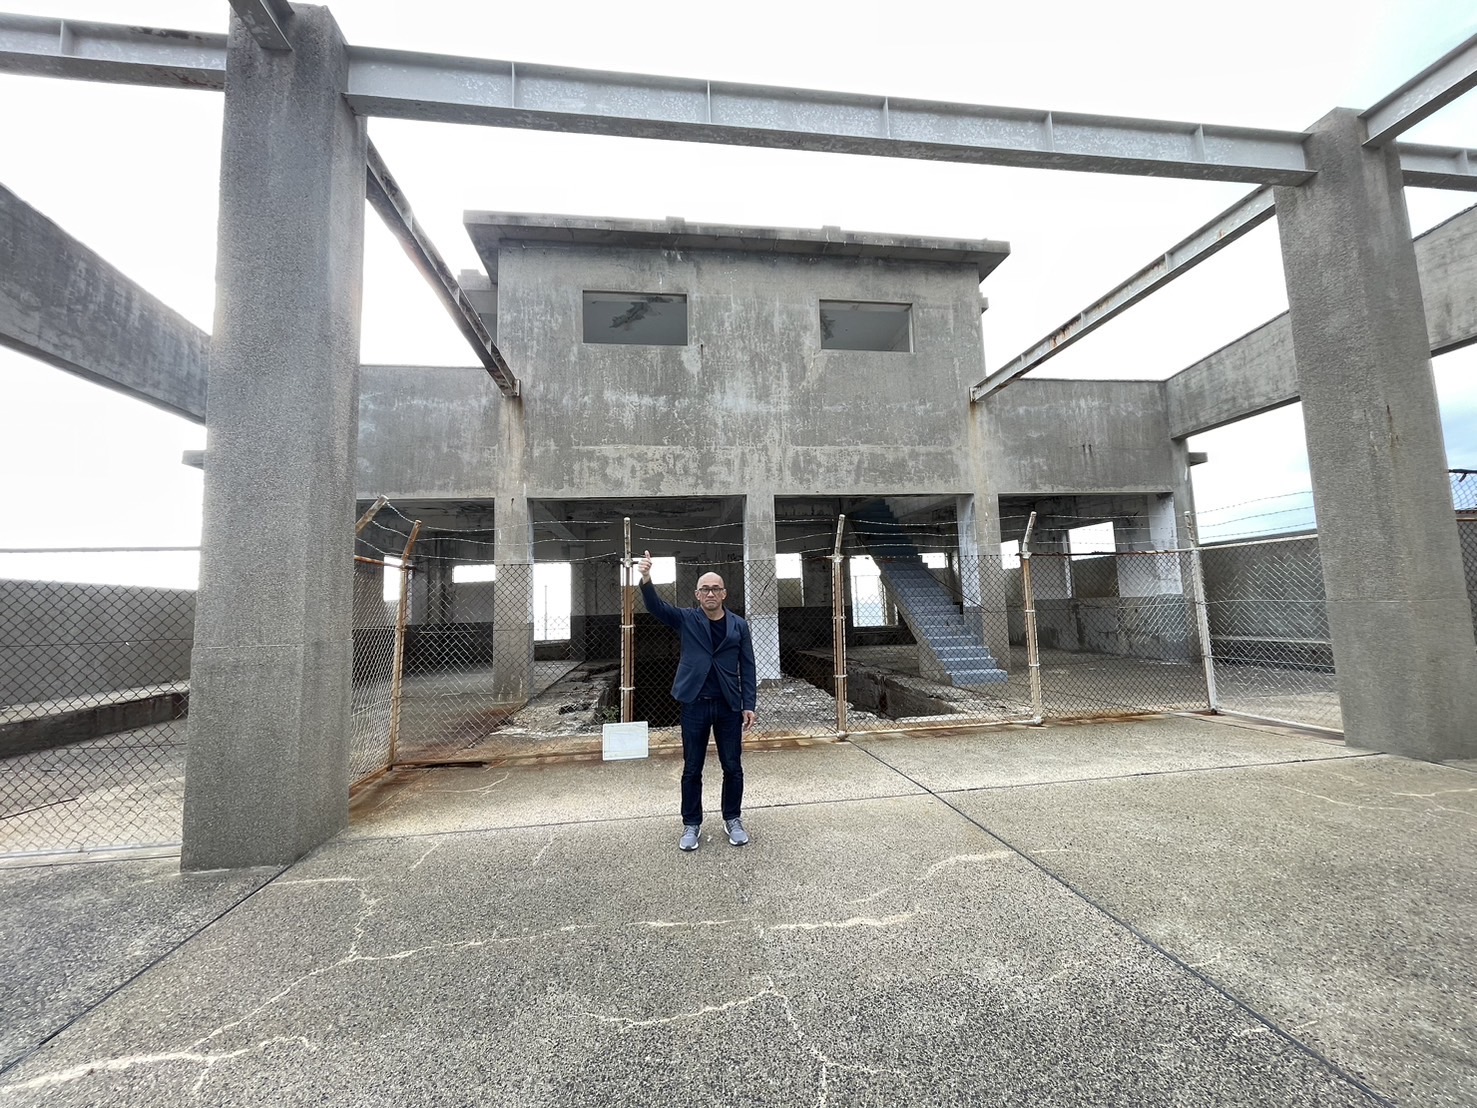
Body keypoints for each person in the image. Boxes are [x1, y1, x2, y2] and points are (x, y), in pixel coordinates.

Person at [636, 550, 756, 851]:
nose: (710, 593)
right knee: (692, 768)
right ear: (697, 594)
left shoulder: (739, 625)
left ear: (724, 593)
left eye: (716, 588)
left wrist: (749, 704)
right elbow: (656, 607)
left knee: (733, 766)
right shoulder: (687, 619)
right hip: (694, 704)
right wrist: (647, 577)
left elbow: (748, 666)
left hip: (728, 705)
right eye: (705, 589)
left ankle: (733, 818)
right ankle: (691, 823)